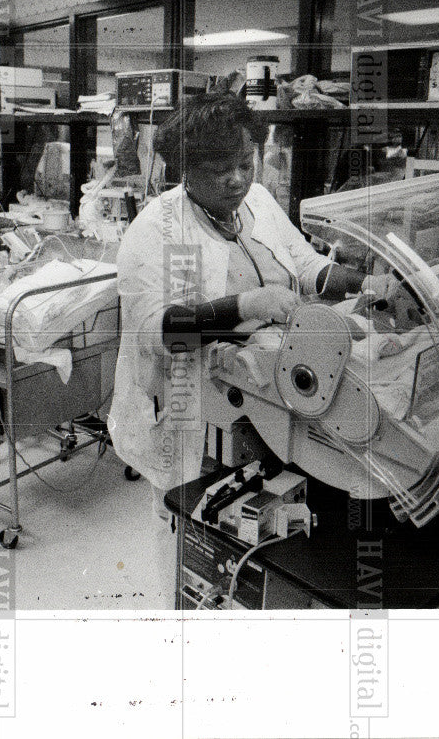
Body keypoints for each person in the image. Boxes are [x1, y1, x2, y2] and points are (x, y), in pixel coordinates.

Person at [107, 92, 389, 606]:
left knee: (275, 521)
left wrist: (366, 282)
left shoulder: (256, 201)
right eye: (220, 169)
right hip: (194, 410)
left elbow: (306, 266)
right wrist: (246, 303)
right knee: (196, 529)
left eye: (245, 162)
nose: (238, 179)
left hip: (273, 396)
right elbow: (159, 332)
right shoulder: (154, 230)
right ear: (186, 169)